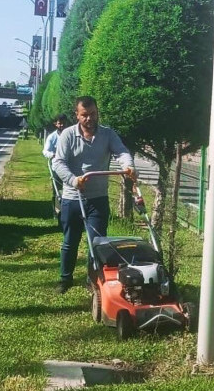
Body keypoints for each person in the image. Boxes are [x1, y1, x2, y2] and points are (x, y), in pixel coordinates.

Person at [52, 96, 136, 294]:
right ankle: (65, 279)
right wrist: (74, 180)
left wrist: (128, 166)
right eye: (85, 115)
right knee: (70, 241)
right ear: (77, 115)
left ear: (97, 113)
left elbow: (121, 151)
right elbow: (58, 163)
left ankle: (93, 279)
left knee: (97, 242)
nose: (89, 119)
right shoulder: (68, 135)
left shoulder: (107, 134)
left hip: (98, 198)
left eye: (93, 114)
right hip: (73, 197)